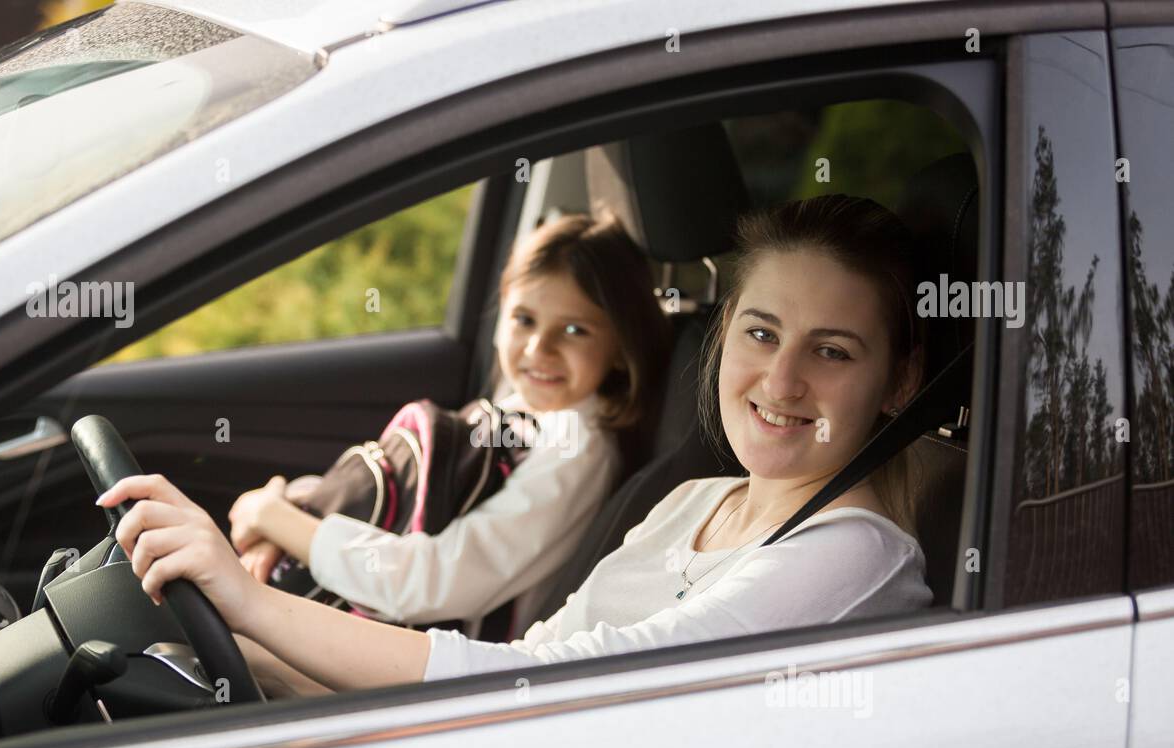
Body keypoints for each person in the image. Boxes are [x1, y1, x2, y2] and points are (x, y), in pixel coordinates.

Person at [97, 194, 934, 695]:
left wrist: (256, 606)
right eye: (761, 332)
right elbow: (533, 657)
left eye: (832, 351)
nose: (781, 381)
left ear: (897, 383)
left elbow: (562, 689)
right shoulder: (693, 500)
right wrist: (273, 661)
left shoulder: (853, 555)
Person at [224, 210, 670, 641]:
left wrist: (272, 516)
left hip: (434, 659)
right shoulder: (523, 412)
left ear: (619, 346)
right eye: (524, 319)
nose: (539, 348)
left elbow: (431, 583)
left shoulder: (576, 451)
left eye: (575, 330)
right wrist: (288, 522)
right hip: (383, 619)